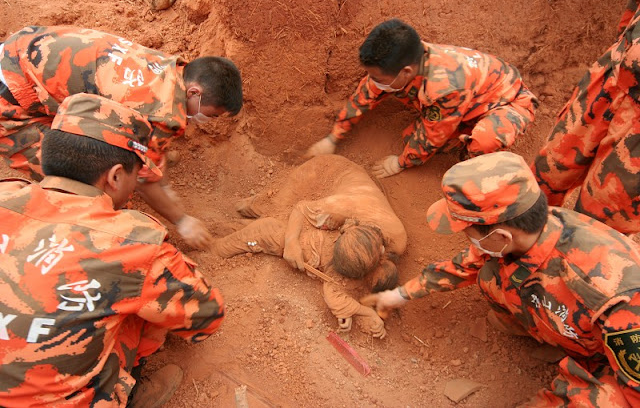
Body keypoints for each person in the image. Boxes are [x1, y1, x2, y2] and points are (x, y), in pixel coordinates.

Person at [0, 93, 225, 407]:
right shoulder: (131, 243)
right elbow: (207, 315)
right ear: (116, 176)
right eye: (137, 175)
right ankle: (125, 392)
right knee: (138, 300)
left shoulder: (7, 193)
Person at [363, 151, 640, 406]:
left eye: (467, 232)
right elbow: (465, 264)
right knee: (490, 275)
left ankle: (570, 352)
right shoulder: (530, 228)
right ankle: (546, 335)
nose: (467, 240)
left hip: (610, 364)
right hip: (574, 328)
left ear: (501, 236)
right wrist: (400, 294)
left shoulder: (614, 296)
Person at [0, 25, 243, 249]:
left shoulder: (169, 69)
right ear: (194, 92)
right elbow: (143, 180)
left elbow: (152, 149)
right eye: (212, 114)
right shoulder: (161, 112)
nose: (209, 119)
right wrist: (182, 220)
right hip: (12, 96)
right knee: (98, 188)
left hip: (21, 49)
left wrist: (163, 180)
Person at [305, 19, 538, 178]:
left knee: (481, 142)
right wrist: (333, 137)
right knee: (411, 137)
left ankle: (478, 168)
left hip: (508, 102)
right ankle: (462, 131)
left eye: (376, 77)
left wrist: (399, 163)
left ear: (406, 72)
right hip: (470, 100)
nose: (372, 81)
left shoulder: (445, 87)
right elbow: (363, 98)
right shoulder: (406, 60)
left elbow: (432, 136)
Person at [212, 154, 407, 337]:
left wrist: (362, 311)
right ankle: (241, 211)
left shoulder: (395, 241)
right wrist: (291, 243)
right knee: (270, 208)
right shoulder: (338, 209)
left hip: (342, 208)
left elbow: (347, 289)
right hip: (325, 174)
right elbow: (301, 208)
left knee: (272, 229)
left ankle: (235, 231)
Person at [532, 0, 640, 235]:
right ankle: (522, 239)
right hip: (611, 77)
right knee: (551, 167)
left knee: (603, 214)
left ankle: (571, 254)